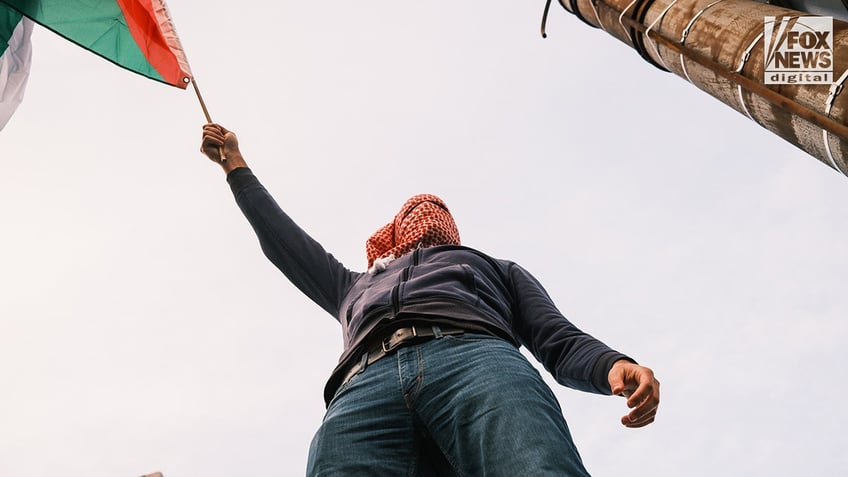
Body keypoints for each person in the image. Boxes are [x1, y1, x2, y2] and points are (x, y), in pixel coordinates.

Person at [200, 123, 660, 476]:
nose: (426, 217)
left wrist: (610, 364)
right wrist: (237, 168)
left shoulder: (495, 268)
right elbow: (285, 241)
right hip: (363, 383)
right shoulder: (352, 285)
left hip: (478, 363)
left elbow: (555, 337)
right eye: (414, 214)